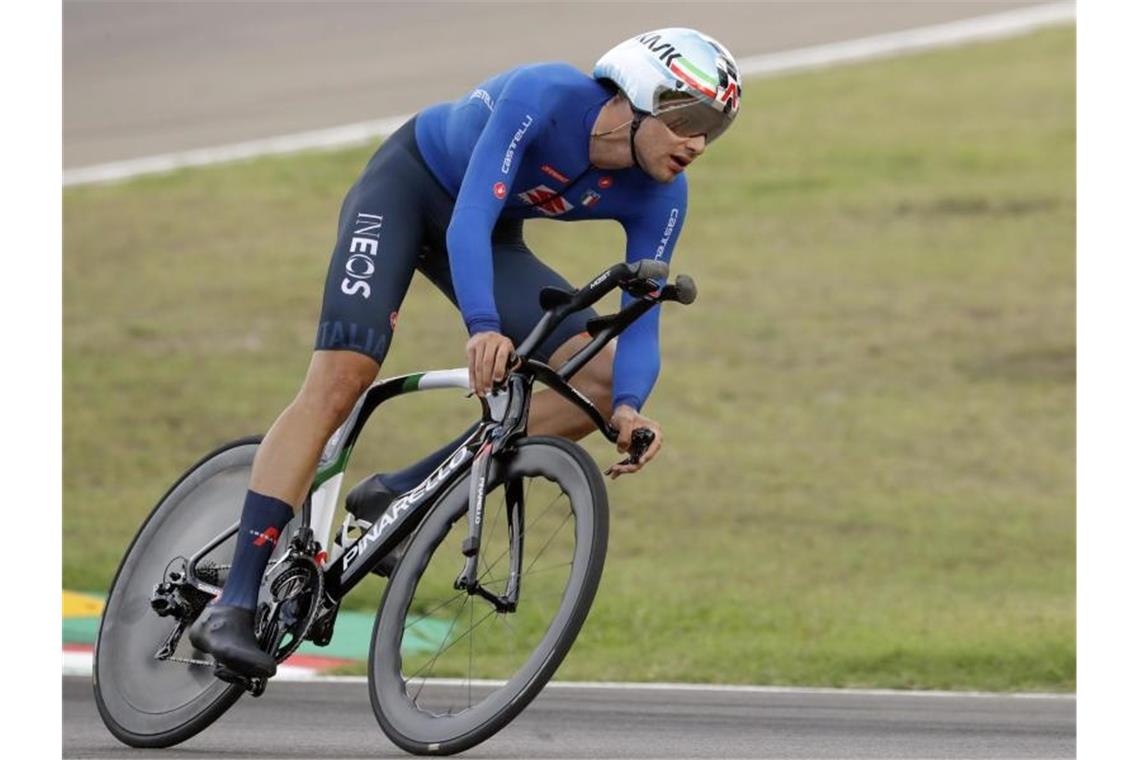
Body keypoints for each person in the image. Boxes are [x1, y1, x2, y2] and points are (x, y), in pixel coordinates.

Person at [189, 28, 743, 678]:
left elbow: (641, 317)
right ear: (645, 91)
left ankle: (406, 493)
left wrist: (627, 406)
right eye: (691, 120)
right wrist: (483, 325)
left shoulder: (663, 195)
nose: (698, 144)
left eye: (714, 132)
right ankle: (233, 600)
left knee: (594, 379)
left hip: (491, 234)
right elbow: (470, 214)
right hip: (408, 190)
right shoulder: (545, 95)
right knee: (343, 378)